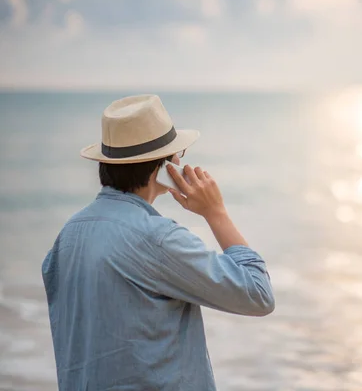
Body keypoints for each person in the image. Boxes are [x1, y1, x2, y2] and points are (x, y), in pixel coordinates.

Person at [41, 94, 275, 391]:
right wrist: (215, 213)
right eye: (179, 154)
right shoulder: (158, 238)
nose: (181, 161)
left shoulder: (68, 235)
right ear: (163, 168)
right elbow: (258, 294)